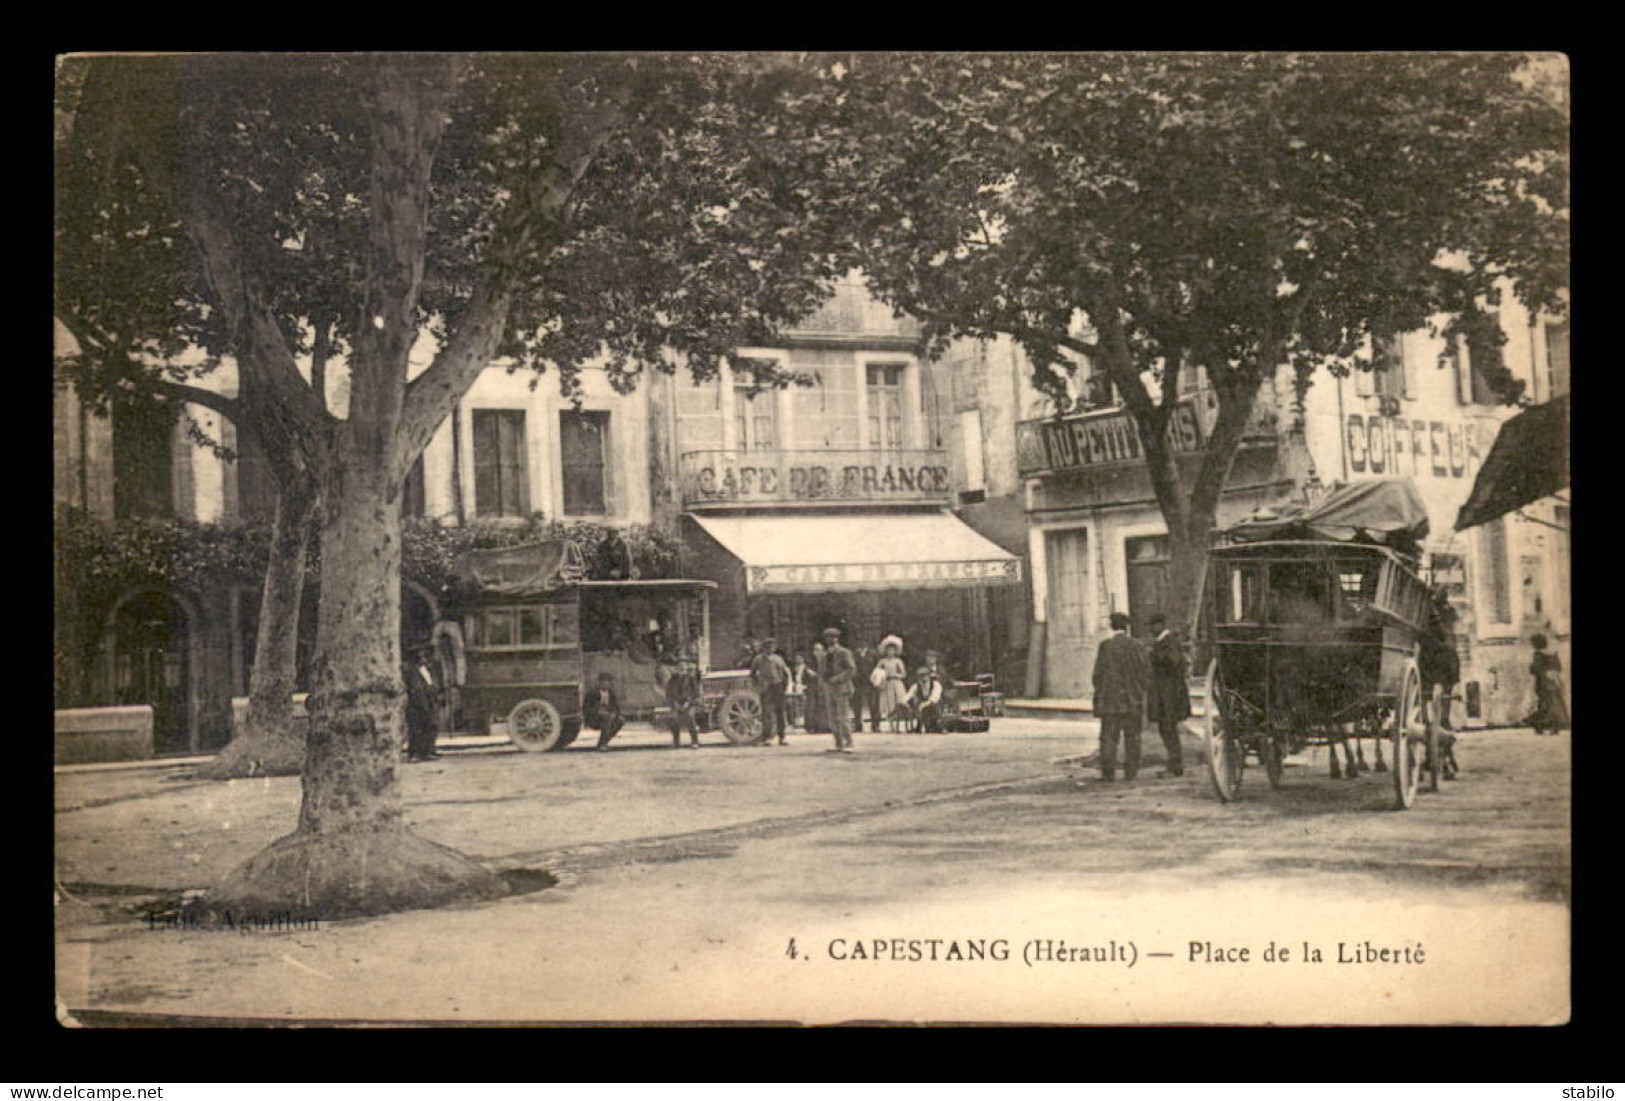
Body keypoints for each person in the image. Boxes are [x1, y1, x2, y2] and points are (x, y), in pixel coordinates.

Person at [1091, 612, 1148, 781]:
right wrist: (1138, 691)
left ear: (1111, 626)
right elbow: (1144, 672)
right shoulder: (1137, 645)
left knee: (1109, 737)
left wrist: (1101, 692)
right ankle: (1131, 773)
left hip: (1110, 700)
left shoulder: (1105, 646)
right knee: (1133, 737)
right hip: (1132, 700)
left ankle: (1108, 774)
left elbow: (1097, 675)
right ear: (1127, 627)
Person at [1418, 591, 1461, 778]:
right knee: (1442, 715)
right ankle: (1445, 758)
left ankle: (1438, 757)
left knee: (1434, 716)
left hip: (1432, 666)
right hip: (1443, 667)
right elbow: (1447, 637)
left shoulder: (1427, 615)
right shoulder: (1448, 616)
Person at [1145, 614, 1190, 778]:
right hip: (1164, 693)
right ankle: (1174, 764)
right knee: (1165, 729)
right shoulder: (1163, 642)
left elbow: (1173, 661)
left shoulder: (1169, 641)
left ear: (1161, 625)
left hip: (1169, 694)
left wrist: (1153, 655)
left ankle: (1175, 765)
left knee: (1169, 729)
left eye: (1152, 626)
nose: (1150, 630)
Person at [821, 627, 858, 752]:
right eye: (827, 637)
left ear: (837, 638)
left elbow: (851, 669)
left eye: (832, 637)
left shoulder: (844, 652)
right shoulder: (825, 654)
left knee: (843, 717)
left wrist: (837, 679)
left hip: (842, 687)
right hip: (829, 688)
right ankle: (838, 743)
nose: (830, 640)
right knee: (832, 718)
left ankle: (849, 742)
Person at [402, 643, 442, 762]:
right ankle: (415, 753)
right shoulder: (410, 670)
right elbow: (415, 687)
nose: (424, 658)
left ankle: (429, 750)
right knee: (416, 727)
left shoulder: (428, 669)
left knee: (431, 725)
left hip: (430, 699)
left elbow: (432, 683)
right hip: (417, 701)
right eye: (421, 656)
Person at [1526, 633, 1570, 736]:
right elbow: (1558, 668)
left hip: (1542, 682)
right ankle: (1554, 727)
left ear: (1536, 644)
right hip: (1553, 682)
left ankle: (1539, 727)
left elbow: (1535, 669)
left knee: (1542, 704)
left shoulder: (1538, 654)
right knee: (1554, 704)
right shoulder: (1553, 653)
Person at [751, 635, 791, 746]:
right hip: (766, 688)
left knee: (780, 712)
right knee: (767, 713)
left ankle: (782, 737)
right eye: (767, 647)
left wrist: (784, 686)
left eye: (771, 647)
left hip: (777, 687)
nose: (769, 649)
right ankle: (767, 737)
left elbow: (785, 673)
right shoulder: (758, 659)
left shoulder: (778, 659)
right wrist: (759, 684)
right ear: (763, 648)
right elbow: (753, 673)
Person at [665, 657, 703, 748]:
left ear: (686, 669)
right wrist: (675, 704)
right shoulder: (672, 680)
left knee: (690, 718)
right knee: (674, 720)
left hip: (689, 704)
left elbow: (696, 692)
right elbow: (668, 694)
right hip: (676, 705)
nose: (681, 669)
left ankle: (695, 742)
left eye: (683, 667)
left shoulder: (691, 679)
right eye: (679, 667)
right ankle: (676, 742)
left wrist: (688, 702)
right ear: (676, 668)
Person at [873, 636, 909, 731]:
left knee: (898, 703)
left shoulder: (898, 661)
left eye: (892, 650)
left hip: (896, 683)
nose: (890, 652)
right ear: (886, 651)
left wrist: (896, 675)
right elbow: (876, 673)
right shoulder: (882, 661)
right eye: (888, 650)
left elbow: (904, 674)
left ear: (895, 651)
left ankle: (898, 726)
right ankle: (891, 725)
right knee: (889, 704)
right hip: (886, 684)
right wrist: (880, 678)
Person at [585, 672, 625, 752]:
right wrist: (599, 712)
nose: (607, 684)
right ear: (599, 683)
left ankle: (603, 742)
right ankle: (603, 745)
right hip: (594, 719)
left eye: (609, 682)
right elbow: (587, 708)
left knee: (620, 720)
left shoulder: (611, 694)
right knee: (606, 719)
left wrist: (615, 714)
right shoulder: (592, 693)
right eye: (604, 682)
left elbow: (616, 708)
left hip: (608, 717)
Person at [907, 665, 945, 733]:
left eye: (925, 675)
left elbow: (935, 698)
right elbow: (909, 695)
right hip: (922, 707)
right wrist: (903, 701)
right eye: (921, 676)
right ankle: (919, 726)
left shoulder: (936, 684)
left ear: (929, 675)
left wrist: (924, 704)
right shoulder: (916, 686)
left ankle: (939, 726)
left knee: (933, 705)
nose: (923, 677)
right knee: (915, 704)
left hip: (934, 705)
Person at [854, 642, 881, 733]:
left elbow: (878, 667)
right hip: (858, 683)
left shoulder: (873, 654)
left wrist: (876, 679)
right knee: (857, 704)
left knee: (873, 704)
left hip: (870, 682)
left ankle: (875, 725)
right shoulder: (854, 654)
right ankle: (858, 725)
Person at [806, 640, 830, 734]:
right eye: (815, 650)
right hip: (813, 686)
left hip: (824, 686)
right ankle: (813, 726)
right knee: (812, 706)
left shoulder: (827, 661)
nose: (817, 652)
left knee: (824, 705)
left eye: (819, 650)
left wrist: (817, 675)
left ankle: (825, 726)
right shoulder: (810, 661)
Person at [787, 653, 810, 730]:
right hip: (796, 687)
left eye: (799, 658)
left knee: (803, 705)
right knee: (795, 704)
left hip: (804, 687)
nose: (797, 660)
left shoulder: (806, 667)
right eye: (796, 658)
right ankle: (795, 723)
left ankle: (804, 723)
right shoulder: (794, 668)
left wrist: (806, 685)